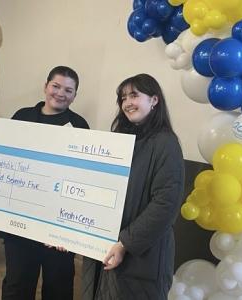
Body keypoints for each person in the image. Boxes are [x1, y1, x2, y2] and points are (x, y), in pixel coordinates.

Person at [82, 73, 185, 300]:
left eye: (134, 95)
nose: (127, 102)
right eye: (123, 97)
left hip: (141, 261)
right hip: (102, 251)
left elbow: (165, 204)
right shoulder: (117, 142)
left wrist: (125, 243)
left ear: (154, 100)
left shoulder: (165, 143)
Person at [2, 66, 90, 300]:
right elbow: (3, 162)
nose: (61, 93)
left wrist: (68, 229)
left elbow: (83, 178)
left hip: (58, 228)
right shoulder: (22, 117)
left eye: (69, 90)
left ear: (74, 95)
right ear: (46, 86)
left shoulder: (80, 126)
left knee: (59, 287)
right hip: (20, 222)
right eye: (56, 86)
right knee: (17, 285)